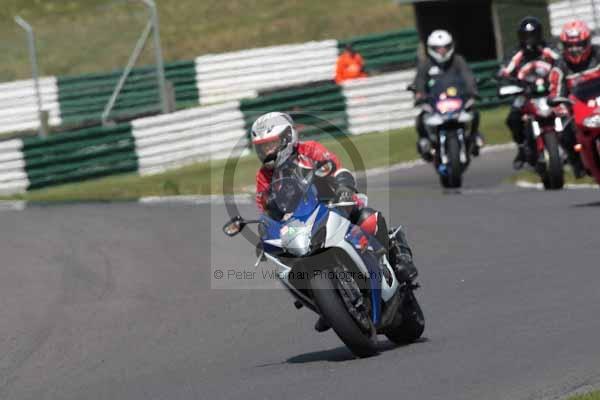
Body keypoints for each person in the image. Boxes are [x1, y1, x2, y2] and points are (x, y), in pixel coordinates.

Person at [251, 112, 417, 330]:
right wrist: (267, 232)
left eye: (271, 145)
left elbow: (337, 168)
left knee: (367, 217)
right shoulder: (263, 176)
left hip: (335, 205)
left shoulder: (309, 150)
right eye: (262, 148)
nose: (267, 152)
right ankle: (325, 302)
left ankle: (399, 256)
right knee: (288, 263)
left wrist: (344, 188)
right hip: (301, 223)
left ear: (287, 138)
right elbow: (265, 208)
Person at [498, 16, 560, 169]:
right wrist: (505, 80)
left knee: (569, 111)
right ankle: (521, 148)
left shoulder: (549, 48)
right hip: (525, 94)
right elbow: (505, 71)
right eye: (526, 36)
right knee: (513, 118)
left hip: (550, 92)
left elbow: (562, 61)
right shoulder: (515, 53)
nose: (530, 40)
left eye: (533, 35)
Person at [412, 29, 484, 161]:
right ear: (431, 49)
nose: (442, 51)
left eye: (445, 47)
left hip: (458, 100)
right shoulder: (425, 65)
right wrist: (420, 94)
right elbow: (419, 82)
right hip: (435, 102)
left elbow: (468, 76)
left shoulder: (458, 61)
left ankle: (474, 137)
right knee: (420, 119)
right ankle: (425, 143)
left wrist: (472, 90)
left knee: (475, 113)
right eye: (438, 48)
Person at [547, 19, 597, 178]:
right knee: (564, 133)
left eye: (579, 45)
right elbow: (555, 89)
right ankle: (577, 164)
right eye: (570, 46)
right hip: (577, 111)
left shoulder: (598, 54)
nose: (575, 50)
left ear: (587, 42)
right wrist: (559, 106)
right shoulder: (560, 65)